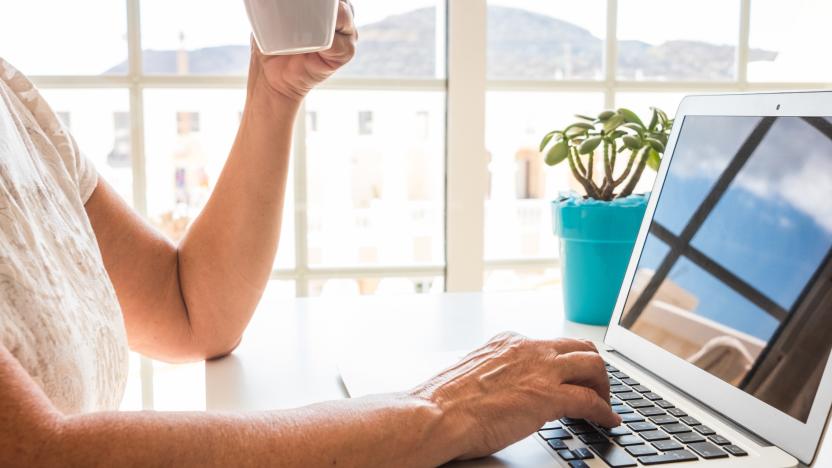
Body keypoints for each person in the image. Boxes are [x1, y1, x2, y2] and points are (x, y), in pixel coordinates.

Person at [0, 1, 619, 465]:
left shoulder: (13, 102)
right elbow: (40, 455)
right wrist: (432, 412)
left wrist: (276, 89)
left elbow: (193, 312)